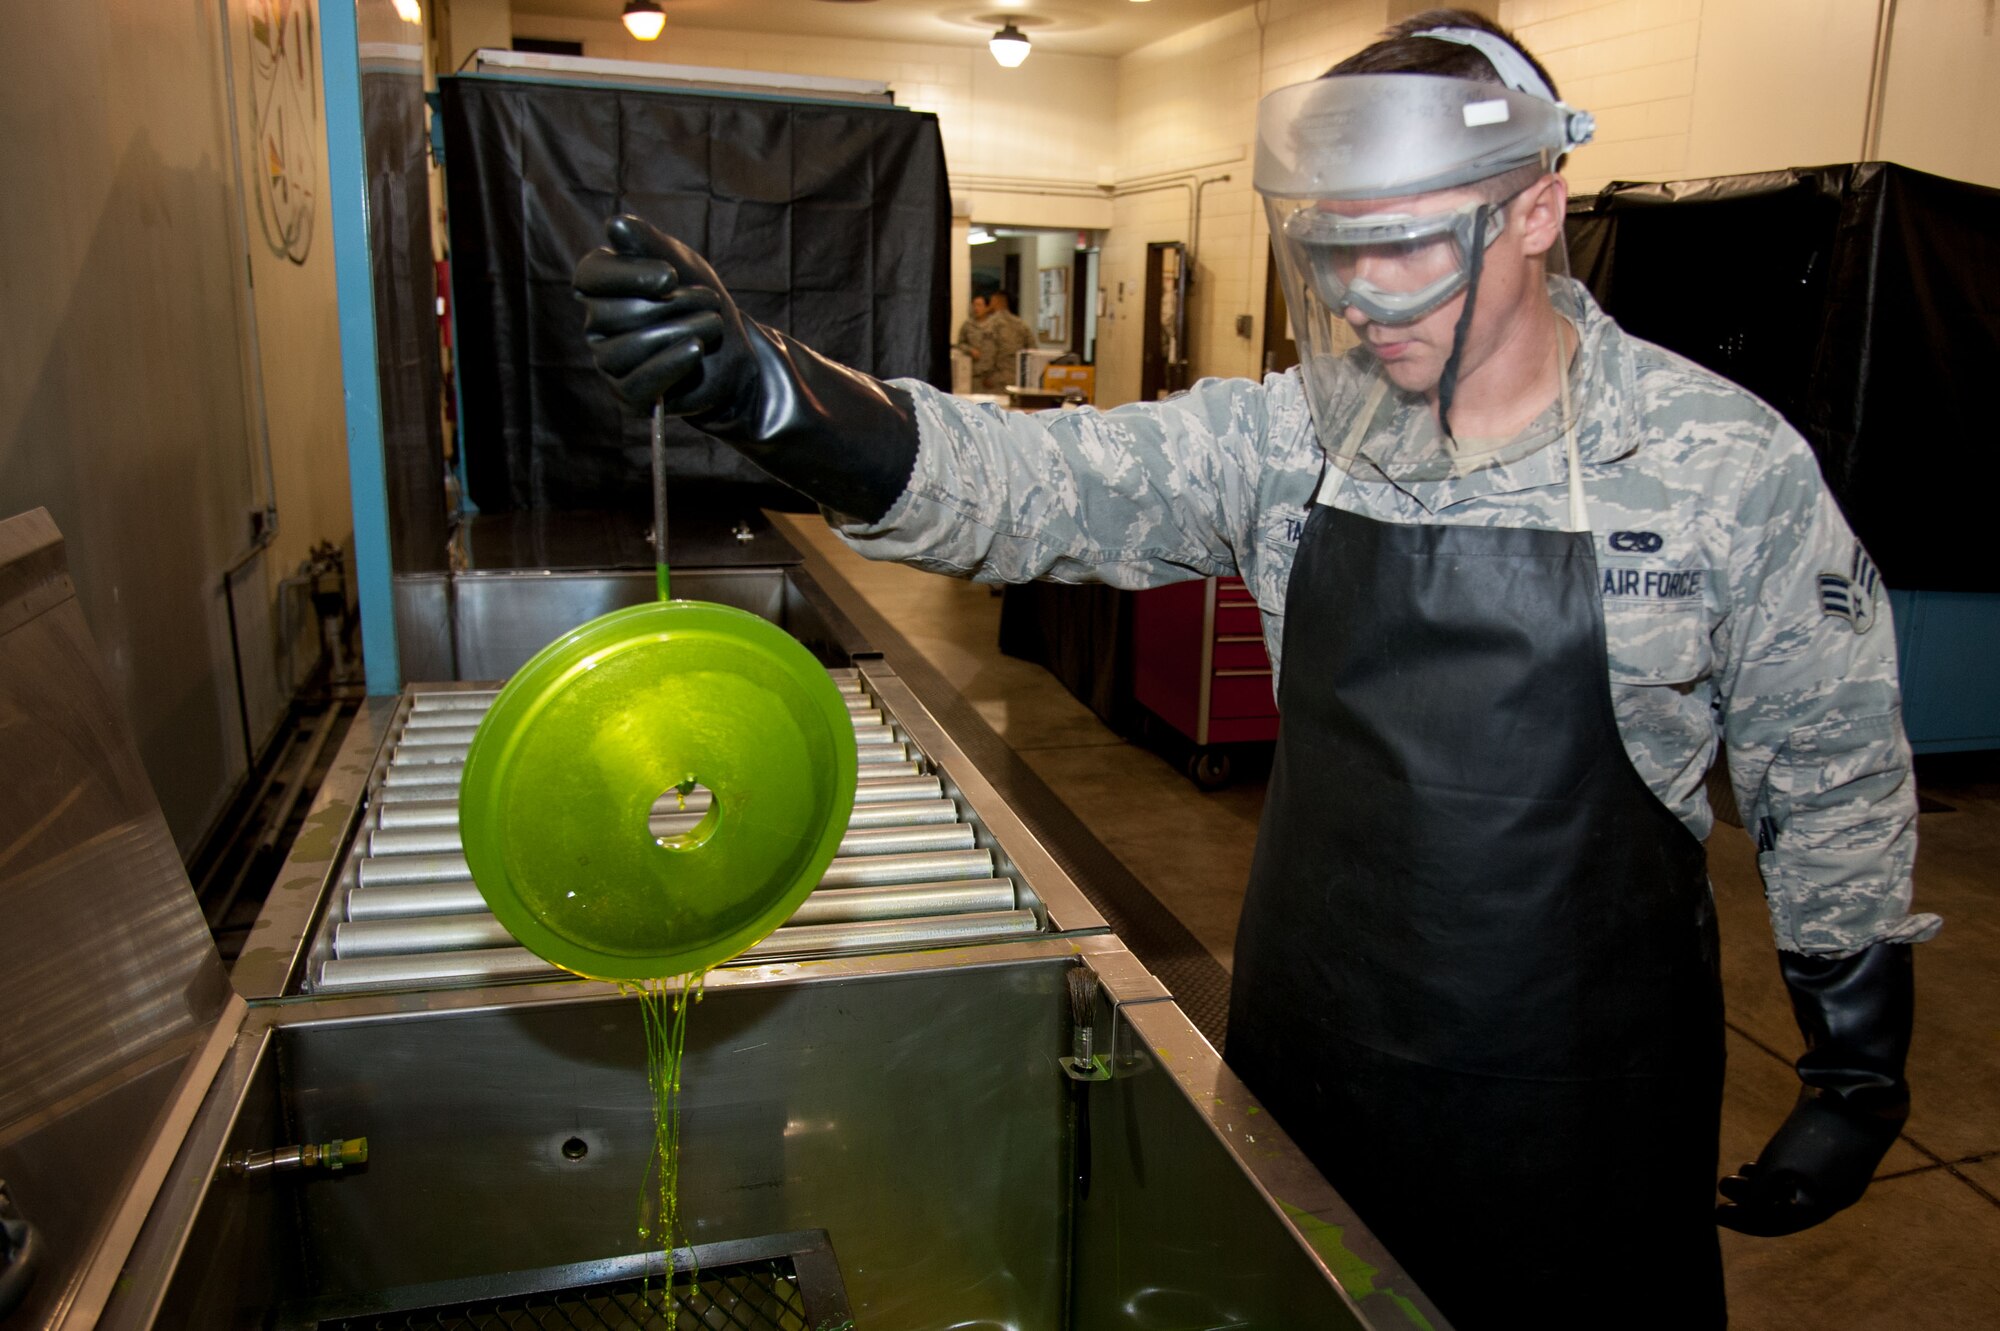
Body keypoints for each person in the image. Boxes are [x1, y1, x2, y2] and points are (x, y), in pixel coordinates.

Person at [572, 11, 1937, 1326]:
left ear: (1535, 206)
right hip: (1313, 1048)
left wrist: (1855, 1057)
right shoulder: (1297, 438)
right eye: (1332, 251)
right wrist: (779, 394)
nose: (1359, 296)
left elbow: (1829, 760)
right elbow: (1033, 483)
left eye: (1404, 247)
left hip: (1577, 1099)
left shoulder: (1719, 469)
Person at [981, 289, 1034, 391]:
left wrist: (985, 375)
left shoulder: (991, 323)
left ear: (996, 301)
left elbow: (988, 352)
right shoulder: (1021, 324)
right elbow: (1032, 350)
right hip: (1019, 378)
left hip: (998, 379)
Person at [954, 292, 993, 392]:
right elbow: (960, 344)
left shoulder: (995, 325)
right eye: (974, 305)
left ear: (987, 307)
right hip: (974, 375)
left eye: (979, 305)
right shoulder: (967, 325)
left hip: (991, 375)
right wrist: (970, 350)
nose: (976, 308)